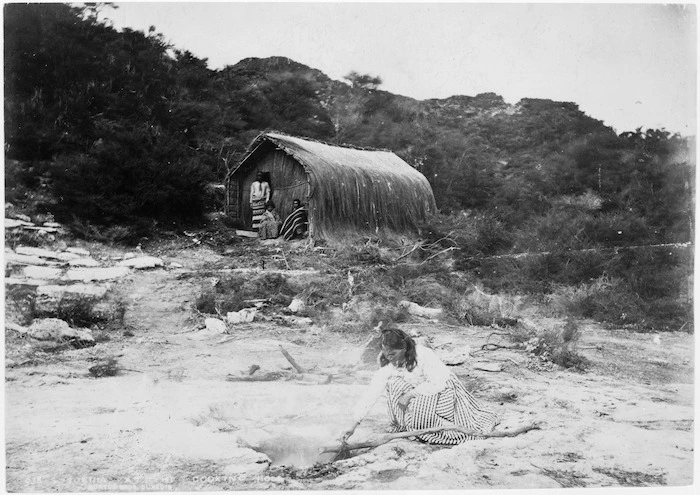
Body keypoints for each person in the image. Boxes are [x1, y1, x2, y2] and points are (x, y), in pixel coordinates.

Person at [341, 327, 499, 445]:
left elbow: (437, 382)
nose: (389, 357)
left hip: (443, 391)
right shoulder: (387, 362)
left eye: (393, 354)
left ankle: (425, 426)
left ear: (404, 349)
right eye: (386, 354)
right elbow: (372, 392)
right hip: (419, 390)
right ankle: (406, 424)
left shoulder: (423, 355)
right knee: (393, 383)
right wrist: (353, 425)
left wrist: (409, 395)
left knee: (417, 410)